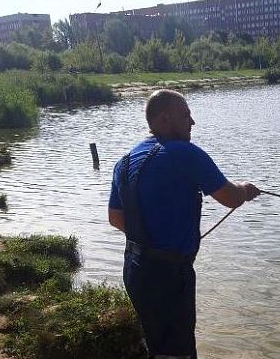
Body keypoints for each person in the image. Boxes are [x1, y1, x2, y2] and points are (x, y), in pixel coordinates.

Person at [108, 89, 260, 359]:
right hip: (168, 274)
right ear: (165, 119)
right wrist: (246, 189)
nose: (192, 122)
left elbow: (116, 218)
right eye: (186, 115)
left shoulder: (125, 161)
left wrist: (153, 237)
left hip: (135, 269)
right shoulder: (184, 153)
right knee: (179, 352)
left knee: (156, 344)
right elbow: (230, 197)